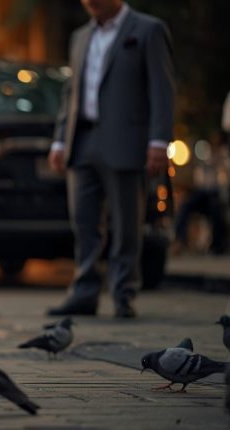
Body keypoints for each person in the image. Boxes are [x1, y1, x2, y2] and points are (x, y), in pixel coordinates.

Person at [46, 0, 175, 318]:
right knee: (84, 222)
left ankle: (123, 294)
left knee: (127, 223)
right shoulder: (80, 37)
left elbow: (163, 88)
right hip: (82, 140)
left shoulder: (148, 30)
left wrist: (159, 141)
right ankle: (84, 292)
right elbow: (70, 92)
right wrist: (61, 139)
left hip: (127, 141)